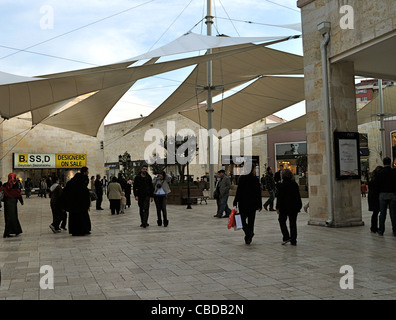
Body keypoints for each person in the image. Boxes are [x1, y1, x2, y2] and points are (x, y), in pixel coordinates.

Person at [233, 165, 262, 245]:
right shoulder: (255, 179)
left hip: (243, 203)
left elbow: (238, 191)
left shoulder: (242, 178)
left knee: (242, 221)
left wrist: (235, 201)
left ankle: (248, 234)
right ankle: (249, 234)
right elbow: (258, 193)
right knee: (251, 221)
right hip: (253, 203)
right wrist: (259, 204)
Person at [61, 167, 91, 236]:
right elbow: (85, 194)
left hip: (73, 204)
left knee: (74, 218)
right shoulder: (82, 183)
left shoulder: (71, 183)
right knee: (82, 217)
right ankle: (83, 230)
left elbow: (65, 193)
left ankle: (74, 231)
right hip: (81, 204)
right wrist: (87, 204)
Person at [276, 169, 302, 246]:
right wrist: (299, 205)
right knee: (293, 223)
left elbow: (279, 197)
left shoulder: (282, 185)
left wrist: (278, 207)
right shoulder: (294, 184)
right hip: (294, 206)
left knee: (281, 221)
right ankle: (293, 240)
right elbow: (298, 196)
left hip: (284, 207)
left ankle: (286, 236)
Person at [375, 157, 396, 236]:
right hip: (392, 194)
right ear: (390, 163)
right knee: (393, 213)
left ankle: (381, 230)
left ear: (383, 163)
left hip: (382, 194)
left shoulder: (380, 173)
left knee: (382, 213)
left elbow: (377, 185)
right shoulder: (394, 172)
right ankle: (395, 230)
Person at [1, 173, 24, 238]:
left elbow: (2, 191)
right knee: (14, 217)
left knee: (7, 218)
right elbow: (18, 193)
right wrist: (21, 201)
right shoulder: (15, 185)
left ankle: (7, 232)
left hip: (7, 203)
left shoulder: (5, 185)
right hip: (13, 203)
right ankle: (16, 230)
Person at [367, 166, 383, 233]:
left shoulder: (373, 178)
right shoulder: (377, 179)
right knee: (376, 213)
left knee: (375, 213)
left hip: (371, 197)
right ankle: (374, 227)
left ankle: (373, 227)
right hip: (375, 197)